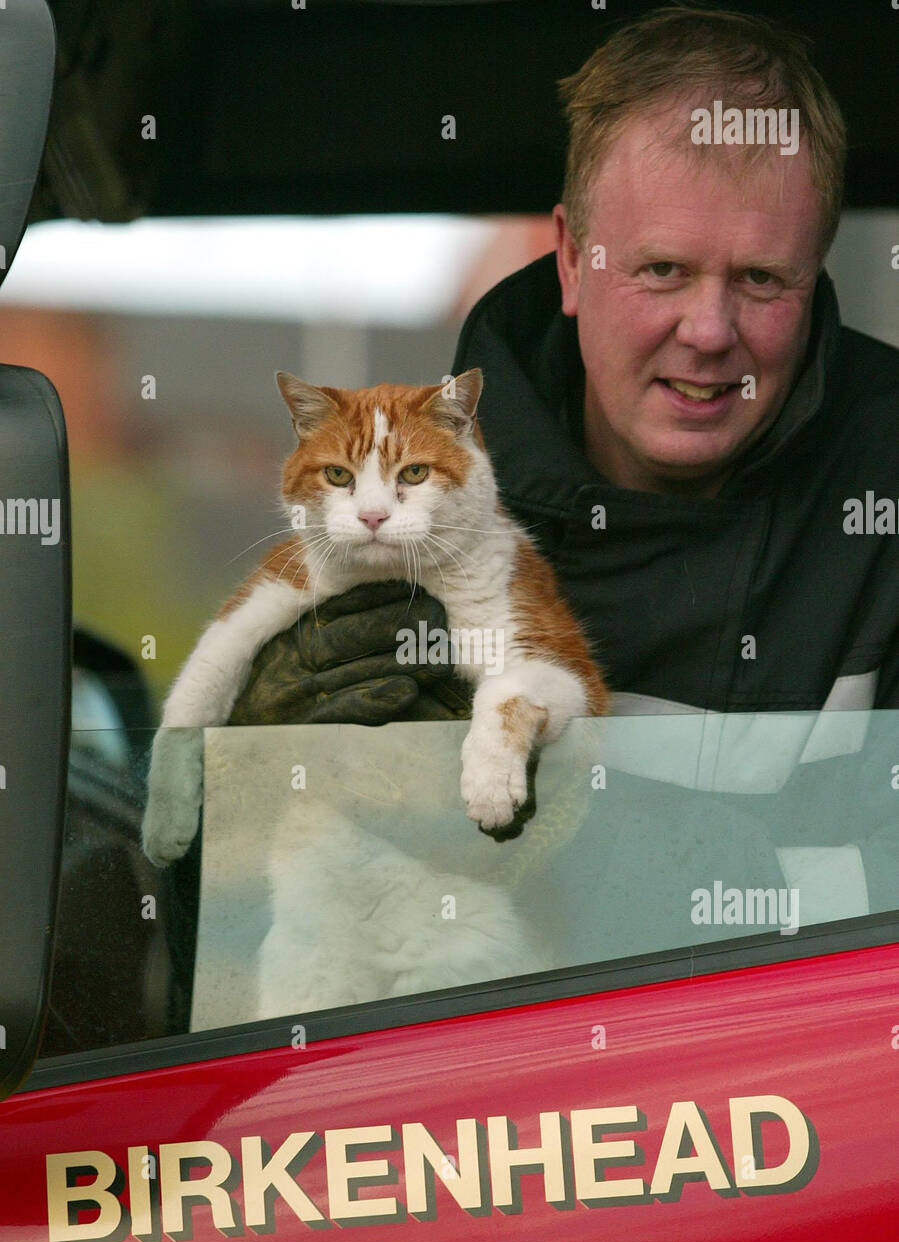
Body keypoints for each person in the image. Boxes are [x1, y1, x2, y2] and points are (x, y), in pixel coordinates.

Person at [226, 6, 899, 936]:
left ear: (815, 272)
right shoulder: (403, 503)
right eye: (660, 270)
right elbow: (238, 954)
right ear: (572, 263)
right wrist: (253, 778)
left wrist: (596, 843)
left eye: (760, 280)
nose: (708, 333)